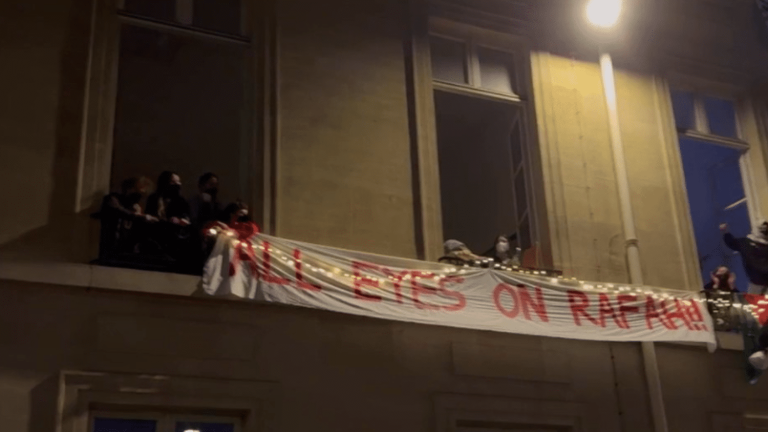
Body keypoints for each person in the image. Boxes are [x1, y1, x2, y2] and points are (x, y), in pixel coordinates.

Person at [98, 177, 158, 259]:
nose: (138, 198)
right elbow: (119, 211)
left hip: (126, 248)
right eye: (138, 193)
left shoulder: (134, 206)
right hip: (111, 245)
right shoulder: (113, 199)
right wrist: (139, 216)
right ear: (129, 189)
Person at [721, 222, 768, 295]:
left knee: (754, 302)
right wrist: (726, 232)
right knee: (755, 301)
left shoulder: (746, 243)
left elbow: (732, 243)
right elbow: (732, 243)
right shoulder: (746, 243)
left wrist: (725, 232)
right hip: (756, 282)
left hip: (756, 281)